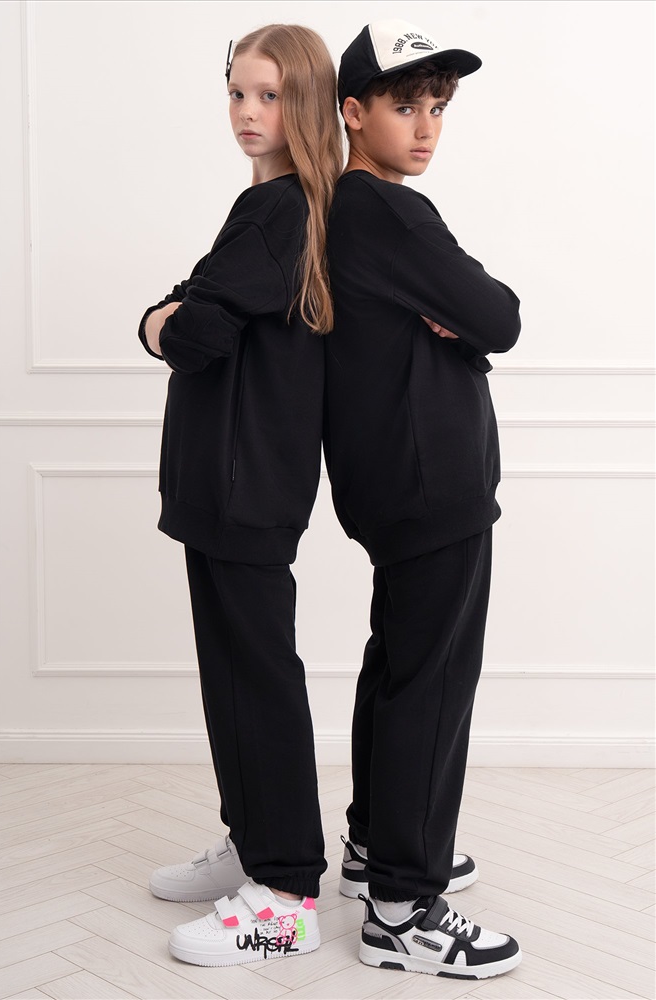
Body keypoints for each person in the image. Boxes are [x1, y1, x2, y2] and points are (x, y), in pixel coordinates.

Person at [138, 24, 342, 967]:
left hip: (243, 480)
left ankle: (287, 891)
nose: (248, 113)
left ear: (306, 104)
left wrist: (162, 317)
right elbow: (200, 307)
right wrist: (176, 308)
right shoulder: (266, 206)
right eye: (237, 93)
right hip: (230, 480)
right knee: (233, 672)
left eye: (270, 96)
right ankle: (252, 842)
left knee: (255, 677)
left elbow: (196, 331)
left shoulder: (283, 209)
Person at [324, 19, 523, 979]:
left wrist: (456, 314)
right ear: (353, 112)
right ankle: (405, 909)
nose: (427, 127)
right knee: (431, 682)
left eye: (437, 107)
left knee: (399, 665)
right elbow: (500, 315)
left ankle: (376, 847)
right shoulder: (390, 212)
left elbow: (471, 317)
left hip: (391, 481)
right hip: (431, 482)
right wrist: (464, 314)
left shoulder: (341, 208)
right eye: (405, 106)